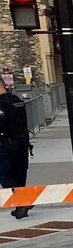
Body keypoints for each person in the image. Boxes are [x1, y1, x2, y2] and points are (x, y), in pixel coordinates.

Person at [0, 75, 31, 219]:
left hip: (6, 144)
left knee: (5, 174)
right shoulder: (17, 100)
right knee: (19, 174)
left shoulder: (1, 103)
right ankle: (22, 204)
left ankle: (24, 201)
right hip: (23, 142)